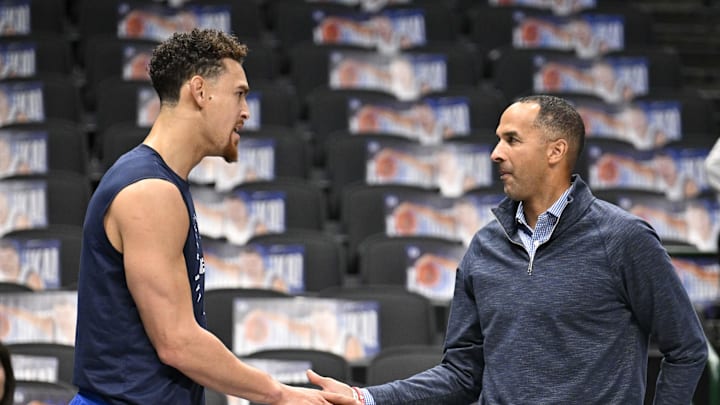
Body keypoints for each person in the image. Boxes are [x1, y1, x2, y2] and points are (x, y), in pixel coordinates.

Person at [308, 95, 708, 404]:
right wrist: (367, 397)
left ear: (556, 151)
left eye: (511, 140)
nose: (495, 153)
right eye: (498, 139)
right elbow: (463, 374)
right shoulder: (484, 247)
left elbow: (687, 349)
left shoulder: (624, 239)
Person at [71, 28, 360, 405]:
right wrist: (279, 395)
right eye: (239, 93)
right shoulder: (149, 190)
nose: (245, 111)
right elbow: (177, 342)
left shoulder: (161, 182)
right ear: (199, 91)